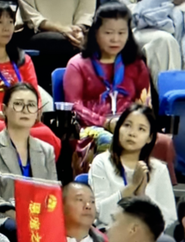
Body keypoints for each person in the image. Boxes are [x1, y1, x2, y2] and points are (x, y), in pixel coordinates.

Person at [63, 1, 177, 184]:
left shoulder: (136, 64)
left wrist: (133, 124)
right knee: (108, 140)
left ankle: (160, 196)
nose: (115, 39)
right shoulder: (78, 64)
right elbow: (74, 106)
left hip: (132, 126)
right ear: (96, 33)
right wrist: (106, 123)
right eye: (109, 33)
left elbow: (145, 103)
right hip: (92, 129)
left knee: (163, 142)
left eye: (121, 33)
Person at [0, 1, 61, 159]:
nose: (6, 28)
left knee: (45, 134)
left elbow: (35, 94)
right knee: (2, 136)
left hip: (23, 116)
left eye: (10, 22)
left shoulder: (23, 60)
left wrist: (34, 111)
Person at [0, 82, 58, 241]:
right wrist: (17, 213)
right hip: (1, 218)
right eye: (18, 104)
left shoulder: (46, 150)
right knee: (20, 229)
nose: (25, 110)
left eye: (31, 105)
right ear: (4, 109)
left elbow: (52, 190)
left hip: (38, 218)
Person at [88, 104, 177, 229]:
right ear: (118, 129)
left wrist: (142, 196)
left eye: (141, 129)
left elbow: (169, 218)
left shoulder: (159, 169)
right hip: (111, 233)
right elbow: (100, 214)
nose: (132, 133)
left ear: (150, 138)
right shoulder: (102, 163)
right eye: (127, 125)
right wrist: (131, 187)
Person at [14, 0, 96, 93]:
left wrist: (78, 29)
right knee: (60, 41)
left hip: (76, 33)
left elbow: (86, 13)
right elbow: (31, 16)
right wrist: (62, 29)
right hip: (35, 31)